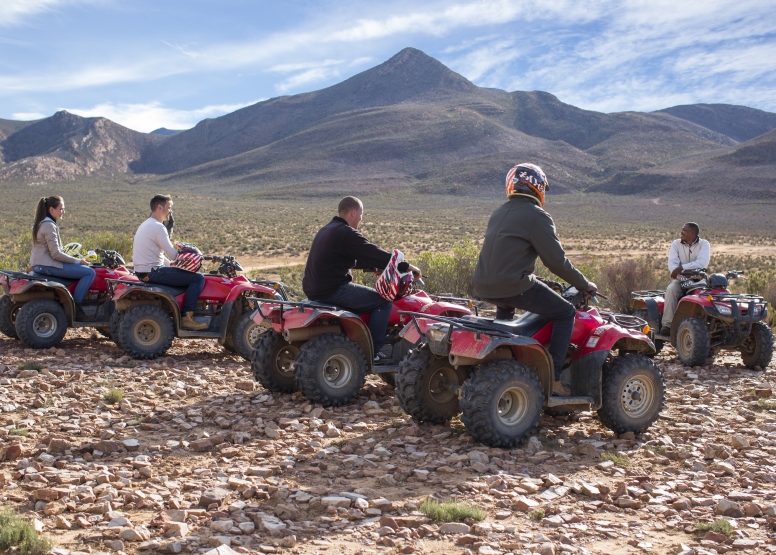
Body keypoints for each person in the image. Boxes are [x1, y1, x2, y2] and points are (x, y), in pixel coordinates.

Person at [472, 163, 597, 396]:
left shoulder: (499, 211)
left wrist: (533, 277)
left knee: (507, 311)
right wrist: (584, 284)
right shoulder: (537, 215)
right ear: (538, 187)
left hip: (483, 285)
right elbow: (557, 261)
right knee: (564, 313)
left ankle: (508, 358)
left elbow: (505, 255)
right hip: (512, 285)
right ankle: (555, 380)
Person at [302, 196, 421, 360]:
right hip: (333, 290)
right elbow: (371, 252)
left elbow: (350, 258)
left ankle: (356, 341)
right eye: (361, 214)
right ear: (353, 212)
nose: (361, 219)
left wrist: (375, 267)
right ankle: (374, 352)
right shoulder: (345, 232)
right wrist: (407, 266)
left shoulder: (327, 229)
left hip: (314, 289)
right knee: (382, 302)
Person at [132, 194, 207, 331]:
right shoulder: (158, 227)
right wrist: (187, 252)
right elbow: (173, 255)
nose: (170, 211)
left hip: (144, 271)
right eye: (169, 208)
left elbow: (158, 255)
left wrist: (173, 265)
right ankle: (187, 317)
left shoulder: (145, 224)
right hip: (154, 272)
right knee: (198, 278)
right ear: (160, 207)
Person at [30, 196, 97, 315]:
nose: (63, 212)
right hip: (48, 266)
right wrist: (78, 261)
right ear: (52, 210)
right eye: (61, 209)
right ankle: (76, 306)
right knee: (89, 272)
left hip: (40, 265)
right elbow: (56, 254)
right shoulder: (49, 225)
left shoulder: (40, 223)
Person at [660, 222, 711, 335]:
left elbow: (702, 263)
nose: (681, 232)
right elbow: (672, 265)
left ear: (692, 233)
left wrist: (682, 268)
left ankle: (709, 324)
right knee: (671, 290)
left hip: (698, 280)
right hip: (680, 279)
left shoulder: (704, 244)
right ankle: (667, 325)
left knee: (708, 296)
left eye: (684, 230)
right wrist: (681, 272)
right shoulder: (676, 244)